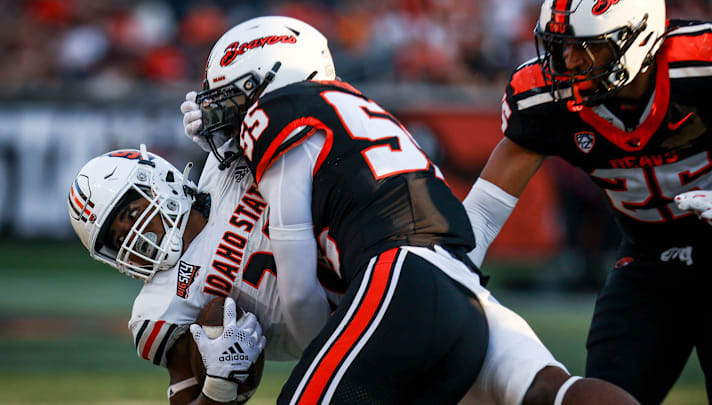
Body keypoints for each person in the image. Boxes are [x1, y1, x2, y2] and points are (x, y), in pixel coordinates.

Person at [183, 15, 640, 405]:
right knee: (552, 391)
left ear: (274, 86)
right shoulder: (358, 113)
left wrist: (324, 352)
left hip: (398, 278)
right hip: (461, 283)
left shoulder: (283, 115)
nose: (230, 118)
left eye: (237, 100)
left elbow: (301, 293)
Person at [462, 0, 712, 403]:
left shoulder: (699, 64)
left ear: (641, 37)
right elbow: (483, 212)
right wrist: (449, 269)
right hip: (648, 262)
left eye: (587, 46)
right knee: (605, 393)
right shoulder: (545, 101)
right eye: (560, 45)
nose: (568, 61)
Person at [68, 144, 343, 404]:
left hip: (355, 258)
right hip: (334, 333)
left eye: (130, 213)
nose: (131, 235)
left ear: (158, 182)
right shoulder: (160, 308)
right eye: (117, 239)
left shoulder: (227, 162)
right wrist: (219, 387)